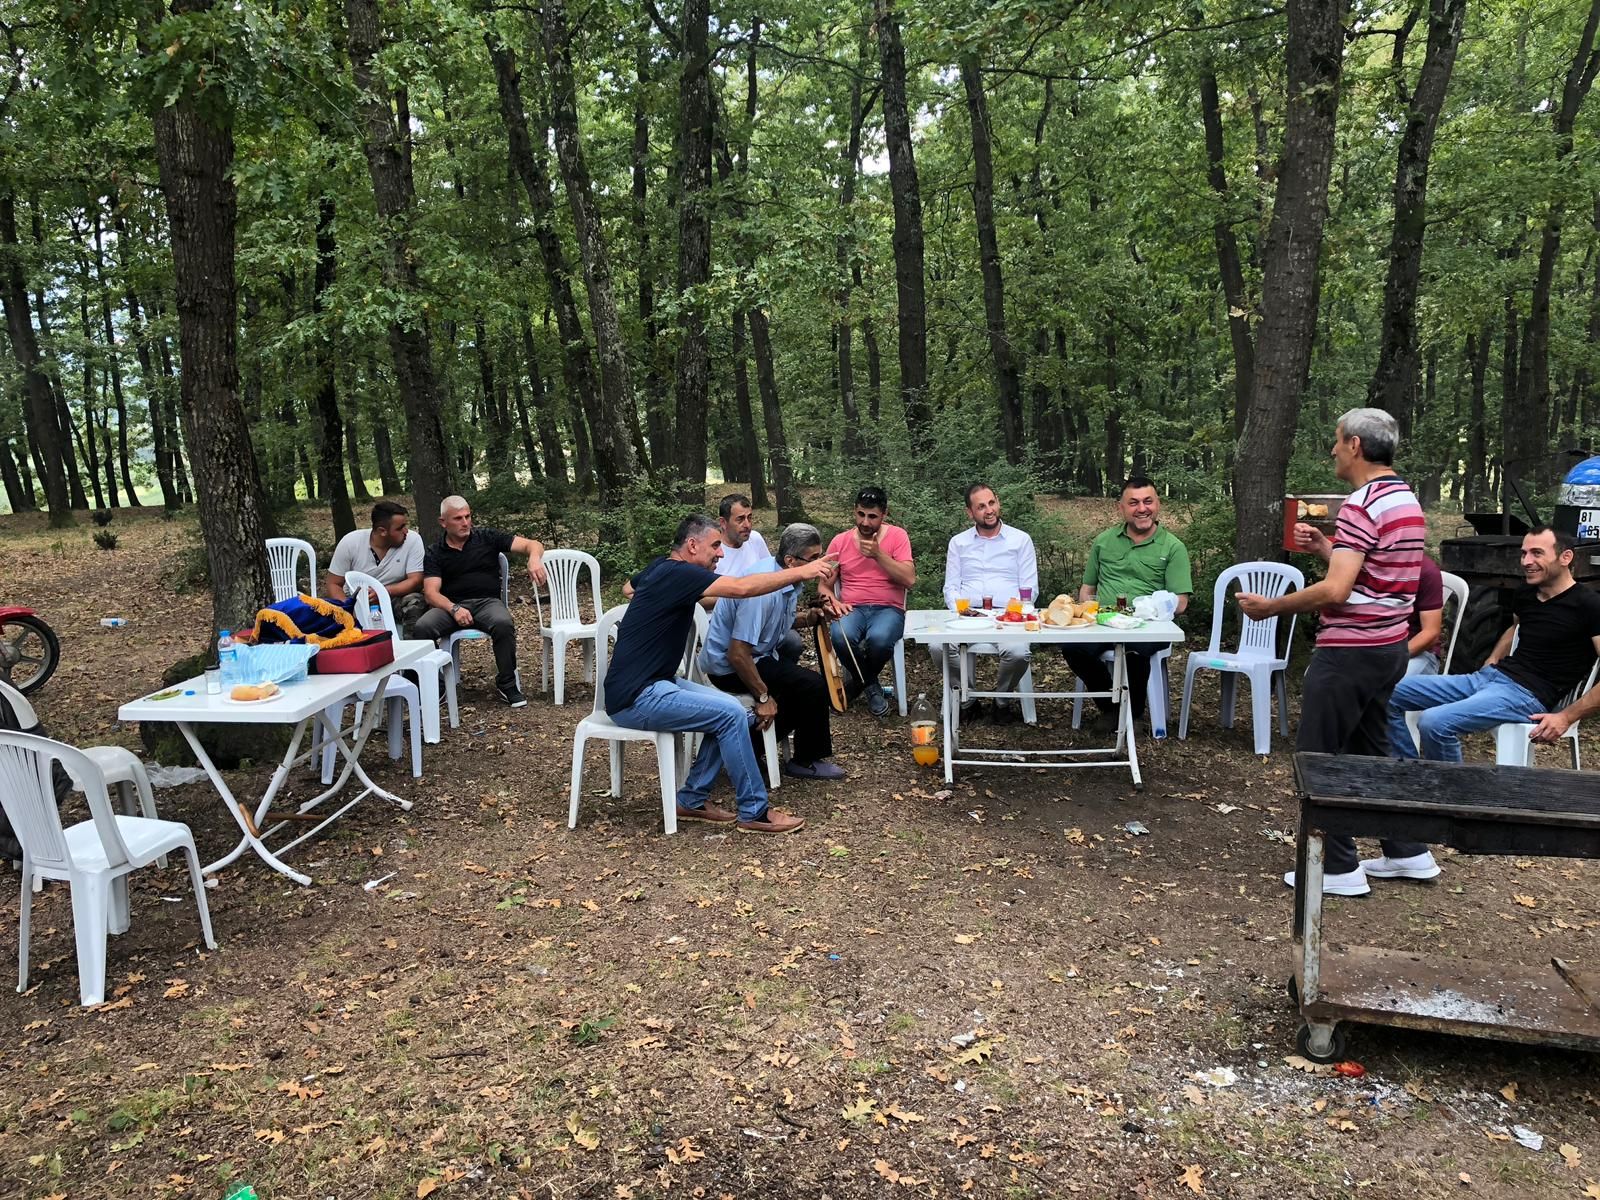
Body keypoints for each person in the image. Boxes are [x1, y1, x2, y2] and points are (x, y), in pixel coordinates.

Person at [1238, 408, 1424, 898]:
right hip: (1389, 647)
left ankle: (1337, 866)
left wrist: (1271, 608)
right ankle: (1406, 850)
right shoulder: (1404, 498)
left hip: (1350, 651)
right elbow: (1374, 576)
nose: (1333, 450)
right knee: (1371, 751)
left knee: (1319, 755)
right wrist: (1325, 544)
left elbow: (1338, 591)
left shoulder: (1361, 503)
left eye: (1337, 441)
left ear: (1357, 445)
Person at [605, 514, 836, 834]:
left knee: (738, 714)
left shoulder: (662, 568)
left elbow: (630, 586)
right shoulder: (680, 573)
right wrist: (803, 570)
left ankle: (692, 799)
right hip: (637, 696)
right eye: (715, 546)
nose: (721, 553)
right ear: (691, 545)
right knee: (730, 713)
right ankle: (755, 811)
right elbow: (741, 589)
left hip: (657, 683)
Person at [1389, 524, 1600, 768]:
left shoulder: (1589, 605)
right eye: (1524, 553)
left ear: (1566, 557)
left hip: (1527, 695)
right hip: (1488, 678)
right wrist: (1494, 656)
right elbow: (1516, 629)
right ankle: (1407, 773)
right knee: (1386, 691)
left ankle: (1454, 800)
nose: (1526, 561)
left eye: (1537, 553)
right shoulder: (1526, 593)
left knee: (1434, 722)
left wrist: (1566, 717)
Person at [698, 523, 849, 779]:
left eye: (820, 557)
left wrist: (808, 618)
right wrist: (764, 697)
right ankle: (803, 759)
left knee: (801, 687)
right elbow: (737, 653)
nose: (821, 565)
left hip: (756, 656)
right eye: (814, 559)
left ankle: (747, 748)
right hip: (728, 666)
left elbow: (775, 622)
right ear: (791, 560)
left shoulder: (784, 576)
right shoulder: (763, 589)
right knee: (811, 685)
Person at [1064, 476, 1192, 725]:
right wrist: (1088, 616)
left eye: (1148, 501)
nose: (1142, 509)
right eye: (1133, 503)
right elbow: (1087, 589)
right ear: (1120, 507)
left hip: (1148, 626)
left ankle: (1131, 712)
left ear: (1158, 505)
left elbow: (1181, 602)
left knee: (1135, 648)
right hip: (1104, 622)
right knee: (1072, 647)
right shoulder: (1104, 541)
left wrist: (1150, 611)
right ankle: (1112, 707)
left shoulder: (1173, 547)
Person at [413, 496, 549, 708]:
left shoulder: (487, 537)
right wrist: (454, 608)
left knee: (503, 623)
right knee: (422, 627)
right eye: (458, 518)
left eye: (468, 516)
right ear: (443, 522)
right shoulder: (435, 552)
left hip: (487, 602)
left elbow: (533, 544)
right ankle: (435, 685)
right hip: (451, 605)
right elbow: (431, 593)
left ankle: (507, 683)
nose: (465, 522)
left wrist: (533, 558)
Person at [940, 483, 1039, 724]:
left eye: (992, 503)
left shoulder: (1020, 540)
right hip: (967, 613)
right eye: (981, 506)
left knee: (1018, 652)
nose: (989, 510)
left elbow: (1030, 588)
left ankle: (1001, 699)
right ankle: (968, 699)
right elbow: (951, 587)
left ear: (998, 503)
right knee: (937, 647)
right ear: (970, 512)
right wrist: (961, 610)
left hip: (1007, 615)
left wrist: (1011, 613)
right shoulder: (959, 542)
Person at [826, 486, 916, 717]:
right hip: (852, 607)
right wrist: (832, 602)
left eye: (872, 516)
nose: (865, 522)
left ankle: (856, 685)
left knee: (880, 639)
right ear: (855, 512)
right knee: (840, 635)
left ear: (884, 514)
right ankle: (870, 686)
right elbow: (824, 586)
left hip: (888, 608)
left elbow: (909, 579)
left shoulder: (897, 536)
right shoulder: (840, 542)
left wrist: (878, 554)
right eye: (860, 515)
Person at [325, 500, 428, 632]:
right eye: (400, 528)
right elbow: (333, 584)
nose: (406, 531)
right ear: (382, 531)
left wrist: (383, 592)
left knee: (415, 601)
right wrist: (349, 609)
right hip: (355, 600)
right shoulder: (351, 542)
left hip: (393, 597)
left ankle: (412, 646)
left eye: (405, 526)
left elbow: (416, 580)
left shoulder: (412, 540)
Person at [1404, 554, 1446, 677]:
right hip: (1371, 649)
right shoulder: (1363, 565)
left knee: (1380, 686)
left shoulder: (1426, 571)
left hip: (1416, 652)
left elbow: (1430, 634)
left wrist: (1390, 659)